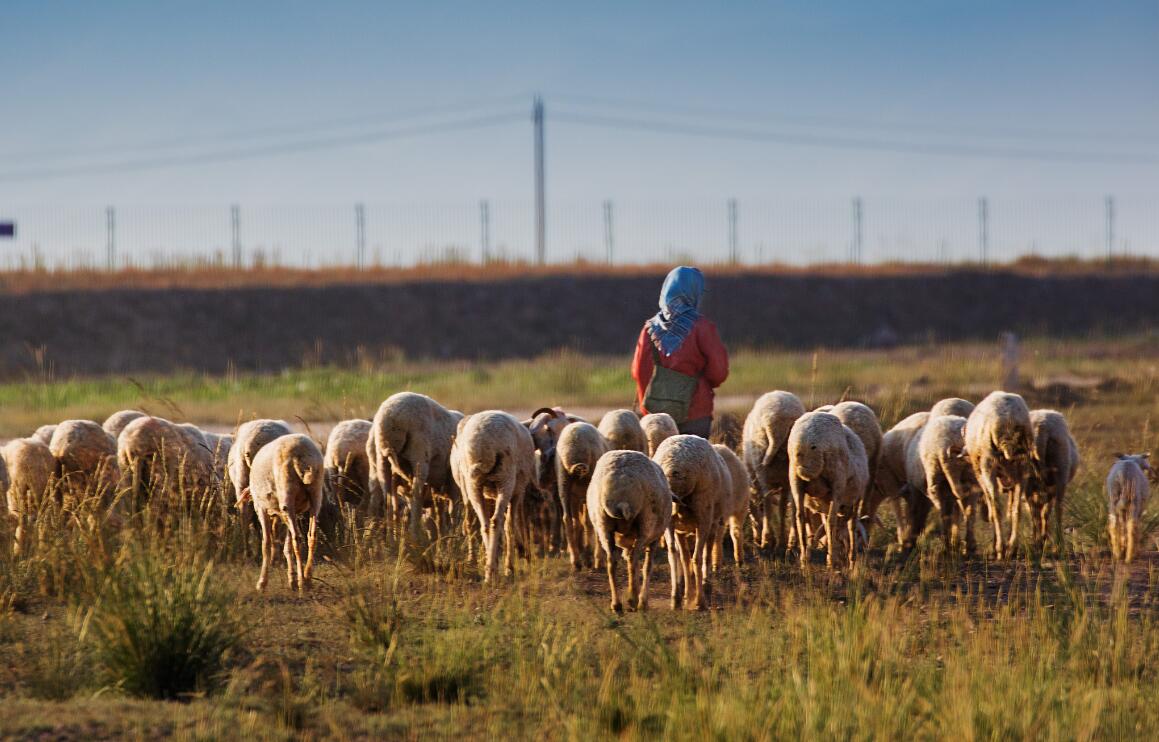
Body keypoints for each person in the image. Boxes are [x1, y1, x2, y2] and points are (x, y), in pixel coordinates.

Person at [631, 266, 729, 439]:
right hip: (696, 412)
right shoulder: (702, 327)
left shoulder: (649, 329)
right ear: (694, 292)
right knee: (694, 462)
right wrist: (702, 385)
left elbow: (639, 371)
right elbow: (719, 371)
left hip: (657, 417)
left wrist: (648, 408)